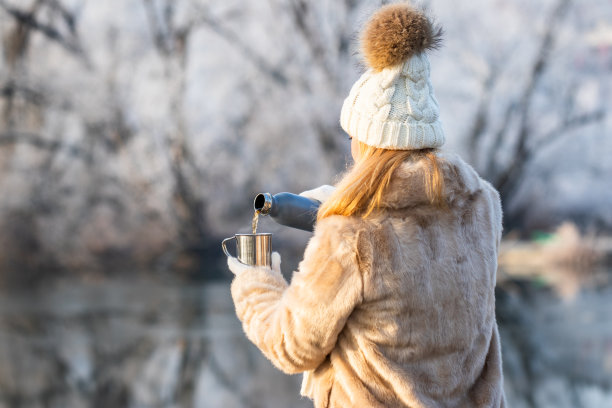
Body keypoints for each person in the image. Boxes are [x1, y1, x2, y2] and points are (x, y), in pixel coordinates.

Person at [227, 3, 506, 407]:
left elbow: (290, 345)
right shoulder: (481, 206)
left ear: (366, 141)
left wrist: (255, 279)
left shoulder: (353, 237)